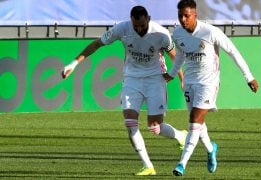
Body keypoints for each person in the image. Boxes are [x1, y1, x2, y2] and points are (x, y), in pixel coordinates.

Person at [62, 5, 187, 176]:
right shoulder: (122, 29)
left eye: (142, 25)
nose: (139, 29)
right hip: (132, 79)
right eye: (136, 26)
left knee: (155, 127)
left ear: (148, 19)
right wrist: (74, 63)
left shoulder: (161, 34)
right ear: (131, 21)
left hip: (155, 79)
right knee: (130, 122)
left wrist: (182, 78)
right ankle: (148, 166)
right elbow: (97, 44)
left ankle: (180, 136)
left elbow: (175, 55)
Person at [163, 0, 259, 176]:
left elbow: (233, 52)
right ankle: (210, 149)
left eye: (187, 16)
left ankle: (182, 163)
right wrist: (172, 73)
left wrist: (249, 77)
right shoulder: (177, 34)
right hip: (190, 82)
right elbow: (180, 56)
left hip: (209, 83)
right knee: (198, 124)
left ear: (195, 15)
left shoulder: (210, 32)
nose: (183, 19)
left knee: (194, 119)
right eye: (180, 16)